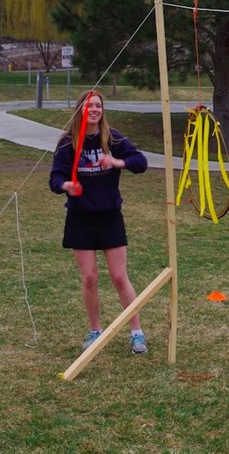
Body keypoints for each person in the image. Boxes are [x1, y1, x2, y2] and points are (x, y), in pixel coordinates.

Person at [49, 90, 149, 354]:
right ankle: (95, 331)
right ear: (80, 109)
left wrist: (117, 162)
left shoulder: (113, 138)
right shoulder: (67, 143)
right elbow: (55, 178)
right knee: (90, 278)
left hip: (109, 217)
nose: (93, 109)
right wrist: (65, 185)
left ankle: (137, 333)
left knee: (118, 277)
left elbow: (141, 162)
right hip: (80, 218)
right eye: (88, 105)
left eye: (97, 106)